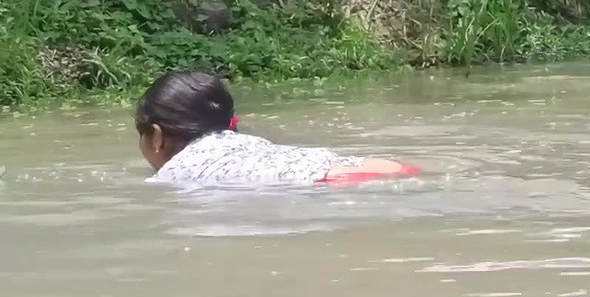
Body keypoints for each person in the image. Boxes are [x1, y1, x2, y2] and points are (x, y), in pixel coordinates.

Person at [134, 71, 419, 186]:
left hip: (324, 186)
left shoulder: (174, 175)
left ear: (157, 136)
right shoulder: (248, 143)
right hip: (353, 168)